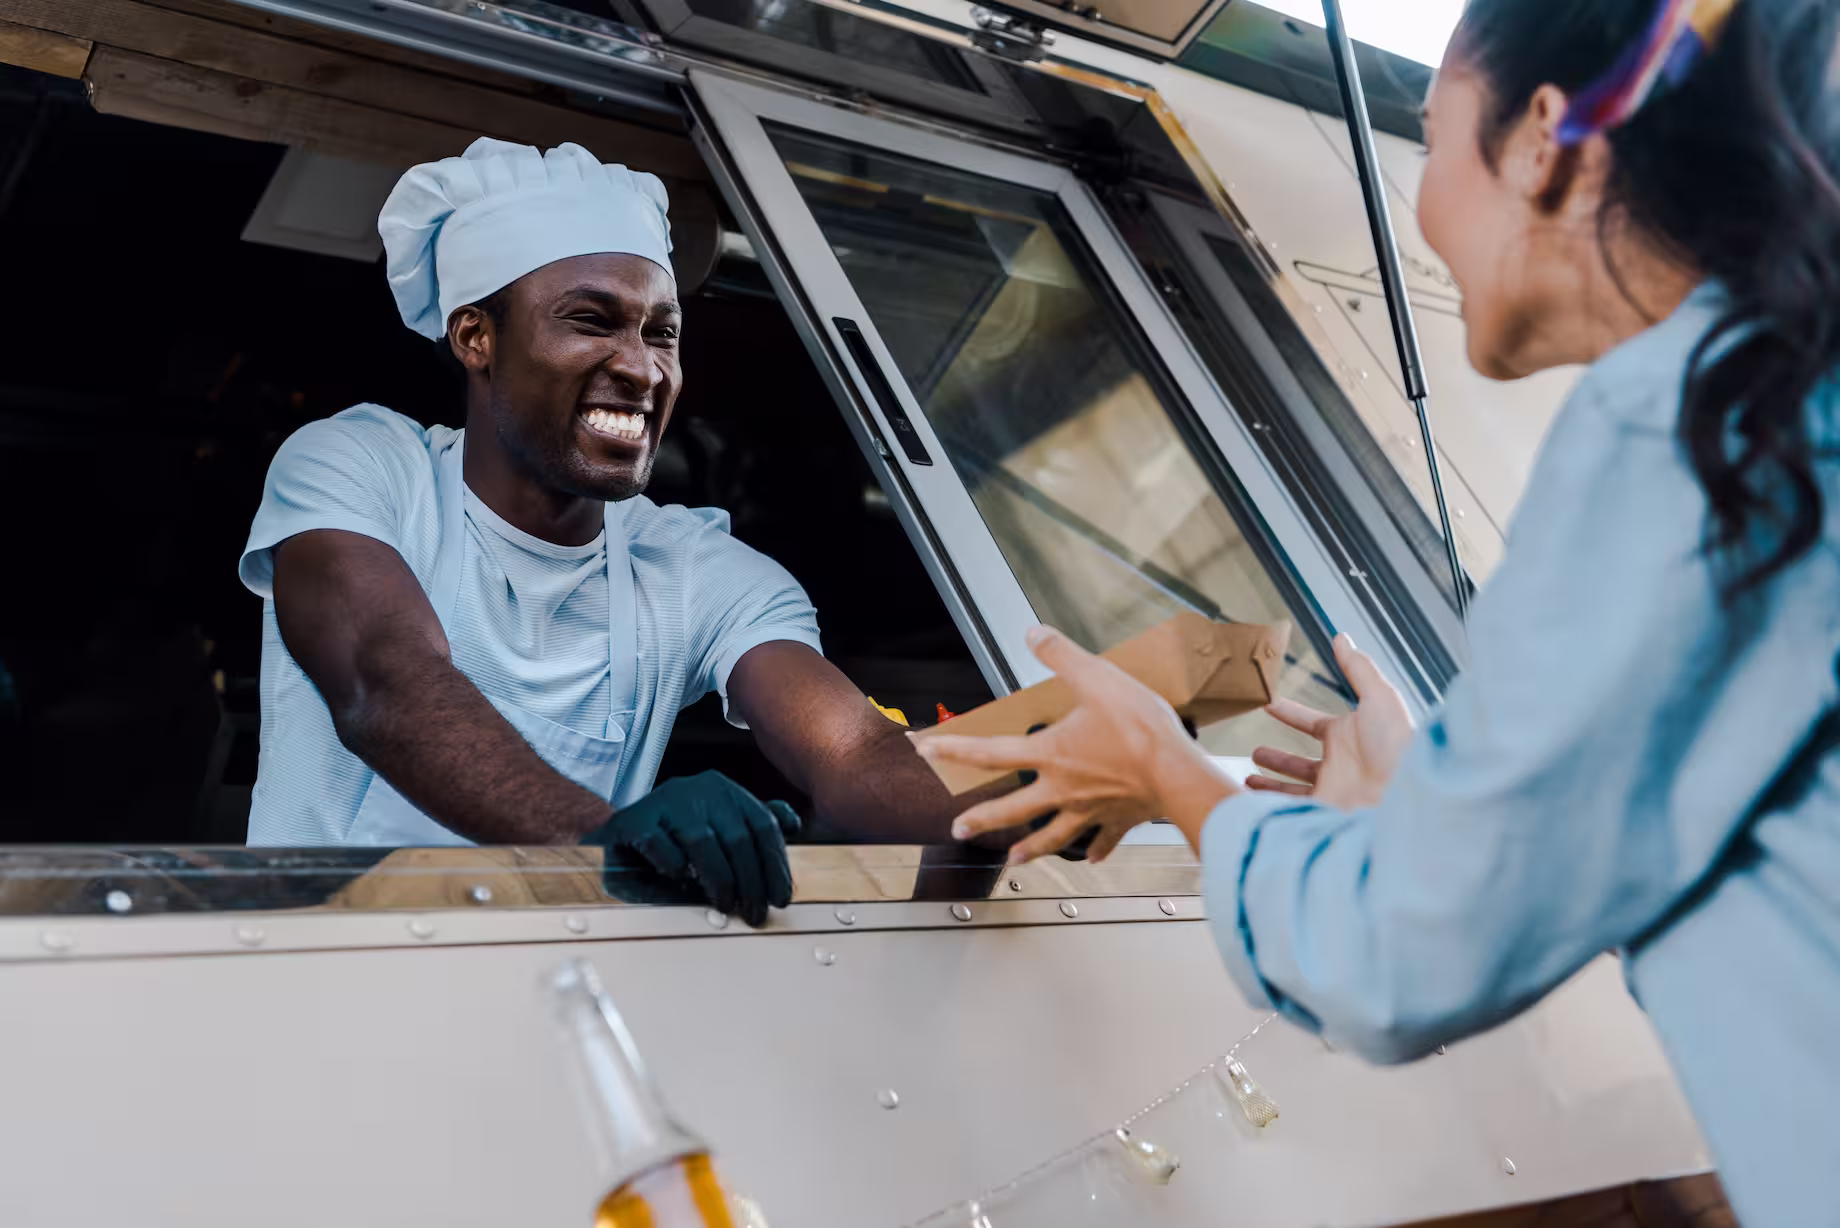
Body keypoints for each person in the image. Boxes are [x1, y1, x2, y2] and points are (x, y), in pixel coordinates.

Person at [917, 0, 1840, 1222]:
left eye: (1432, 134)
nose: (1417, 205)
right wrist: (1421, 817)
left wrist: (1166, 770)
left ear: (1540, 141)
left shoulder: (1682, 438)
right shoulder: (1779, 400)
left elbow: (1404, 953)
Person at [238, 138, 980, 925]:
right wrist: (607, 838)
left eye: (661, 333)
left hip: (552, 1000)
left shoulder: (695, 567)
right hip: (308, 980)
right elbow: (384, 684)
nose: (641, 368)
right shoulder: (363, 468)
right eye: (591, 321)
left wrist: (1010, 794)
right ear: (474, 337)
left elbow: (856, 753)